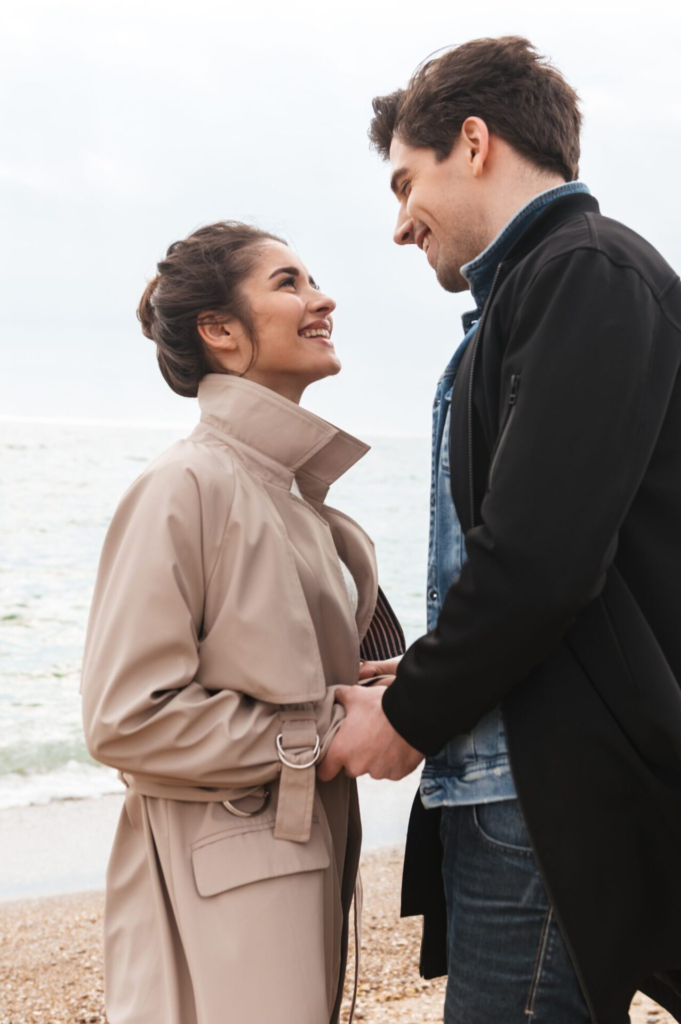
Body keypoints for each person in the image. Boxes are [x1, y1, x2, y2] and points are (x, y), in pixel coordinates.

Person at [320, 36, 681, 1024]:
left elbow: (541, 559)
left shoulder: (588, 274)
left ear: (473, 142)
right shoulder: (536, 292)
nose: (400, 224)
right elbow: (544, 558)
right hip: (520, 776)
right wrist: (438, 669)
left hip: (547, 798)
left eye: (406, 182)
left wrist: (409, 716)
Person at [80, 221, 404, 1024]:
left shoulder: (287, 495)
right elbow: (125, 718)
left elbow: (289, 672)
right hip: (220, 885)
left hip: (290, 863)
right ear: (220, 331)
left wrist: (393, 689)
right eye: (289, 283)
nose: (322, 299)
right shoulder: (185, 485)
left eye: (313, 280)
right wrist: (320, 734)